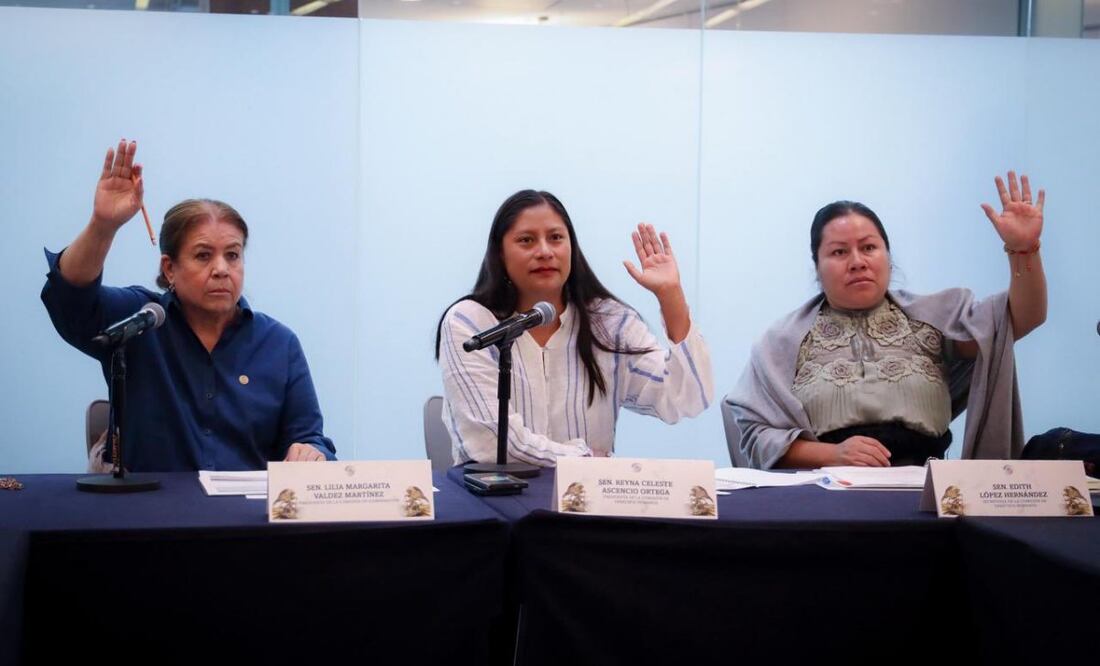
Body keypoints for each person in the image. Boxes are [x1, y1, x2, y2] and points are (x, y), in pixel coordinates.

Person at [42, 139, 335, 471]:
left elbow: (309, 436)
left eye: (233, 255)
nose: (222, 269)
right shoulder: (140, 320)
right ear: (170, 268)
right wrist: (103, 225)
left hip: (244, 518)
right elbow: (71, 298)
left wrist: (311, 451)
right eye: (203, 255)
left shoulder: (279, 344)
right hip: (150, 514)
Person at [727, 172, 1046, 468]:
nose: (857, 262)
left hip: (924, 492)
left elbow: (1019, 319)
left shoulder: (937, 318)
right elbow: (756, 436)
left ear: (888, 258)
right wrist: (834, 455)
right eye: (839, 252)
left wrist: (1024, 250)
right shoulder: (781, 342)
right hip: (824, 493)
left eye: (868, 247)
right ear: (817, 267)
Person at [435, 189, 713, 466]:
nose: (544, 251)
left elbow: (686, 398)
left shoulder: (609, 322)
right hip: (498, 503)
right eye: (526, 240)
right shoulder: (471, 323)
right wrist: (589, 460)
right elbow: (492, 443)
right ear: (500, 253)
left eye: (555, 238)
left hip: (586, 505)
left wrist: (671, 296)